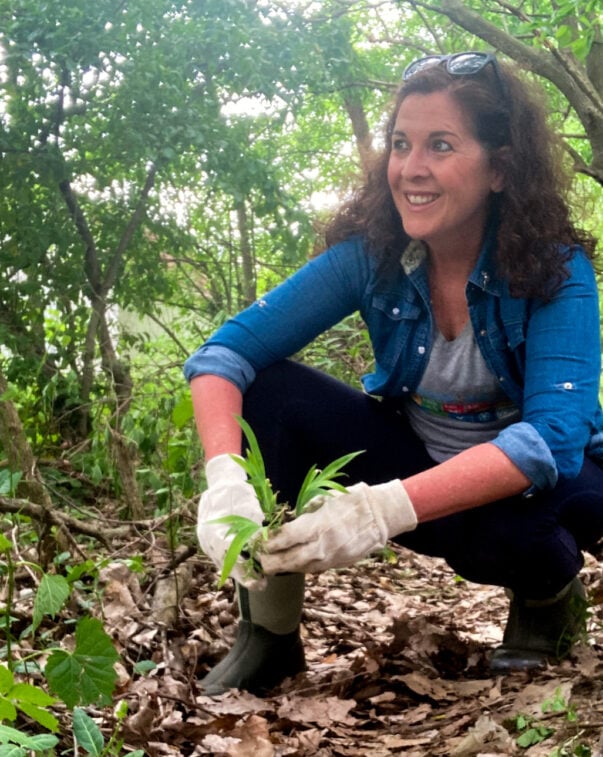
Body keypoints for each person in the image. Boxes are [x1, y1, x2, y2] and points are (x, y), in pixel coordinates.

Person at [184, 51, 603, 696]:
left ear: (499, 168)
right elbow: (223, 355)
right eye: (401, 144)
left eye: (441, 145)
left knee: (513, 530)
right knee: (267, 393)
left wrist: (382, 509)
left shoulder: (553, 269)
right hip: (419, 457)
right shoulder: (373, 259)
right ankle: (267, 636)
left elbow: (552, 436)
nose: (411, 169)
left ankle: (548, 602)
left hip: (529, 493)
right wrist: (223, 482)